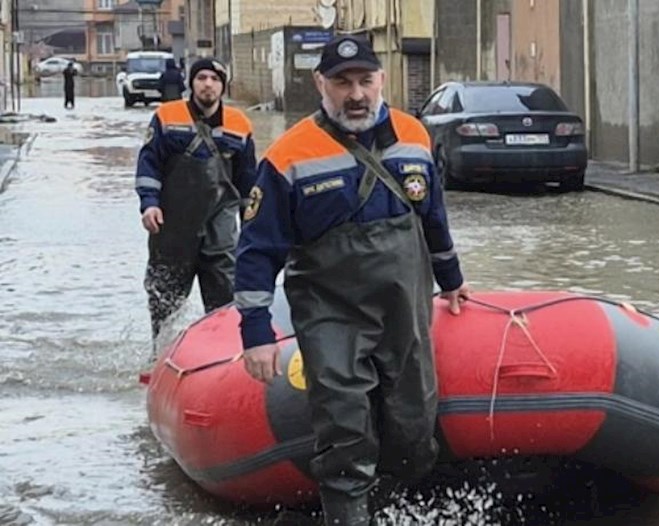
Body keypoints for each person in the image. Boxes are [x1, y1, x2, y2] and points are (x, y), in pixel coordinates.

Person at [234, 35, 470, 525]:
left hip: (404, 308)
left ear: (382, 80)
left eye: (365, 80)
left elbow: (434, 219)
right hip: (331, 315)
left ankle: (397, 510)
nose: (356, 94)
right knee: (345, 430)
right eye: (342, 83)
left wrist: (451, 279)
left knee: (413, 424)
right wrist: (256, 331)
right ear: (321, 83)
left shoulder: (414, 137)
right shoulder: (288, 155)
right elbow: (257, 250)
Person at [135, 58, 257, 348]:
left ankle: (222, 354)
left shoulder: (239, 125)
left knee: (225, 298)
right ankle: (160, 355)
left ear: (223, 87)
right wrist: (149, 203)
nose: (208, 84)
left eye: (215, 79)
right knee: (164, 299)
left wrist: (254, 225)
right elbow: (148, 163)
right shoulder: (167, 116)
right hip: (173, 225)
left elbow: (248, 181)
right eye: (201, 77)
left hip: (221, 226)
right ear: (191, 83)